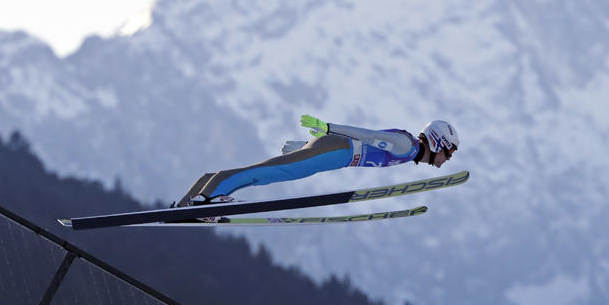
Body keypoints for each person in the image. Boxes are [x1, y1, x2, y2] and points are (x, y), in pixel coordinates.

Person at [174, 116, 459, 206]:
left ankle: (193, 200)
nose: (448, 159)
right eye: (450, 152)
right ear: (439, 142)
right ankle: (207, 199)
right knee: (267, 173)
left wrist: (304, 146)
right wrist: (328, 128)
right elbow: (368, 135)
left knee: (265, 173)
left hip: (333, 154)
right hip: (336, 151)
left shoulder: (408, 151)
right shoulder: (407, 145)